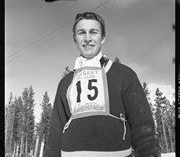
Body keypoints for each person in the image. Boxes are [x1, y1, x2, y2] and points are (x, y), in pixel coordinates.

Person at [44, 12, 161, 157]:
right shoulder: (66, 83)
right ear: (75, 39)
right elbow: (55, 136)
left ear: (103, 37)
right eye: (81, 33)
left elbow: (144, 130)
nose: (87, 38)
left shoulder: (124, 75)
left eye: (93, 32)